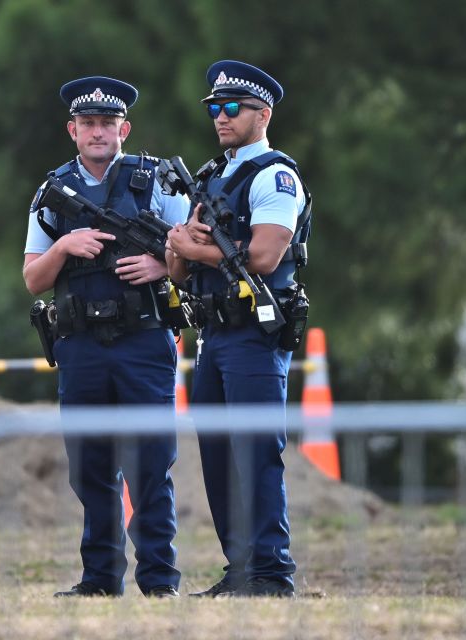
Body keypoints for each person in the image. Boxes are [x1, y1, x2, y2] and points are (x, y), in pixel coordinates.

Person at [23, 76, 189, 599]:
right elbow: (33, 278)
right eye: (88, 124)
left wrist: (163, 264)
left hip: (144, 341)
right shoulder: (52, 192)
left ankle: (160, 580)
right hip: (81, 345)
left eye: (108, 124)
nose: (98, 133)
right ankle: (99, 579)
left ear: (125, 129)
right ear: (72, 130)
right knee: (90, 468)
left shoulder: (157, 182)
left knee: (151, 465)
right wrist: (65, 245)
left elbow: (195, 256)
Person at [166, 60, 311, 598]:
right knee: (219, 455)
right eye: (214, 109)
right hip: (213, 335)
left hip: (254, 330)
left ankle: (272, 571)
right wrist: (180, 249)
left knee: (255, 449)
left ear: (263, 114)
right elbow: (178, 266)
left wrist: (189, 247)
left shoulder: (275, 175)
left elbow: (267, 256)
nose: (221, 117)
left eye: (233, 109)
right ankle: (241, 568)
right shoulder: (209, 178)